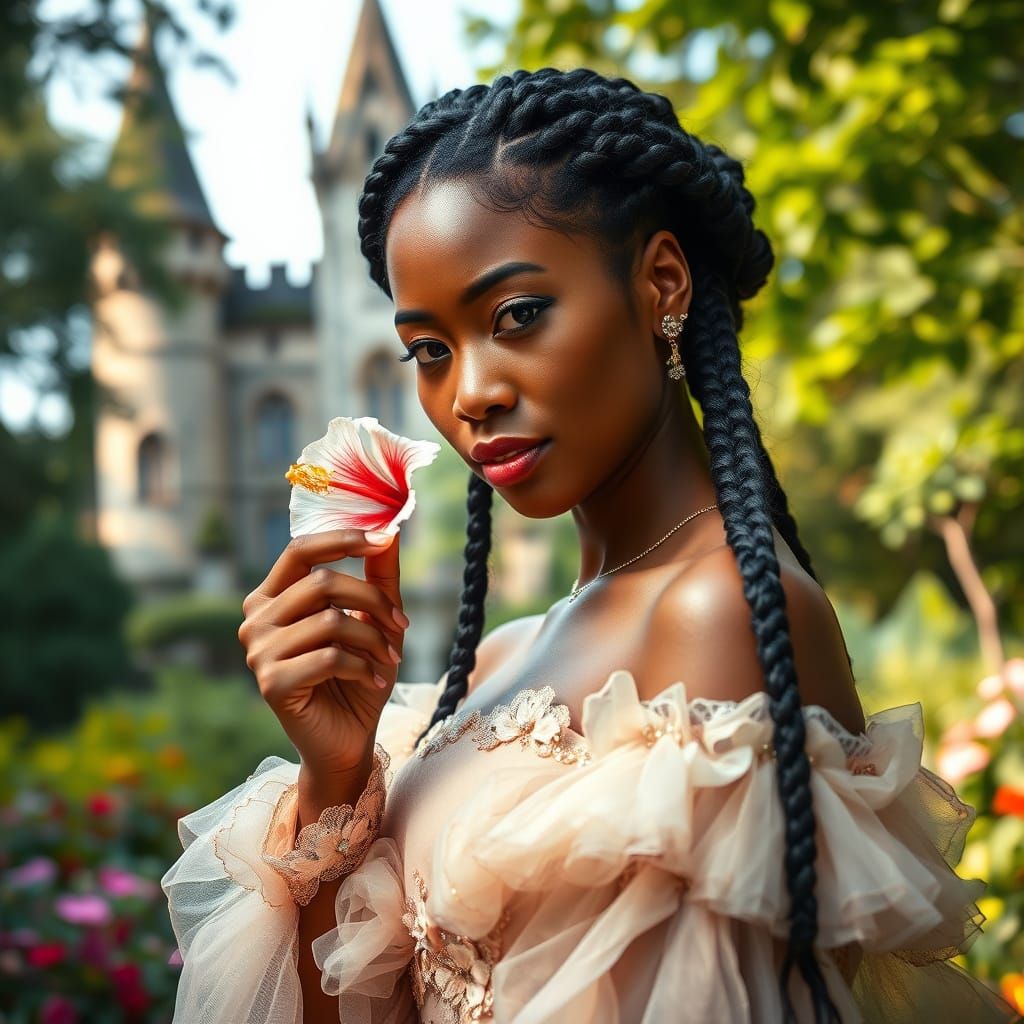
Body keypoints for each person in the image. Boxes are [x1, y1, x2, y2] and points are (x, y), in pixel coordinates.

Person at [161, 67, 1020, 1023]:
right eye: (430, 350)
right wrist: (339, 771)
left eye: (516, 316)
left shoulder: (714, 615)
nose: (469, 393)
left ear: (661, 284)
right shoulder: (493, 657)